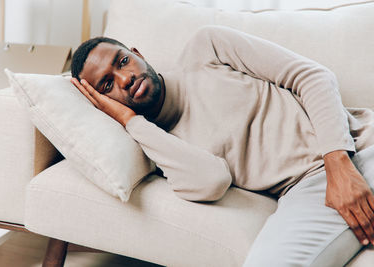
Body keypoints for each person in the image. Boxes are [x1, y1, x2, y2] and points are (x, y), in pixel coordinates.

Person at [70, 25, 374, 266]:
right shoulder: (157, 143)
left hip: (357, 146)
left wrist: (339, 165)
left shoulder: (208, 48)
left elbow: (313, 76)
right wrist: (131, 122)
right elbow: (211, 181)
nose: (125, 78)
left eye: (124, 61)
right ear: (102, 104)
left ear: (138, 54)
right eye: (107, 85)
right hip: (304, 191)